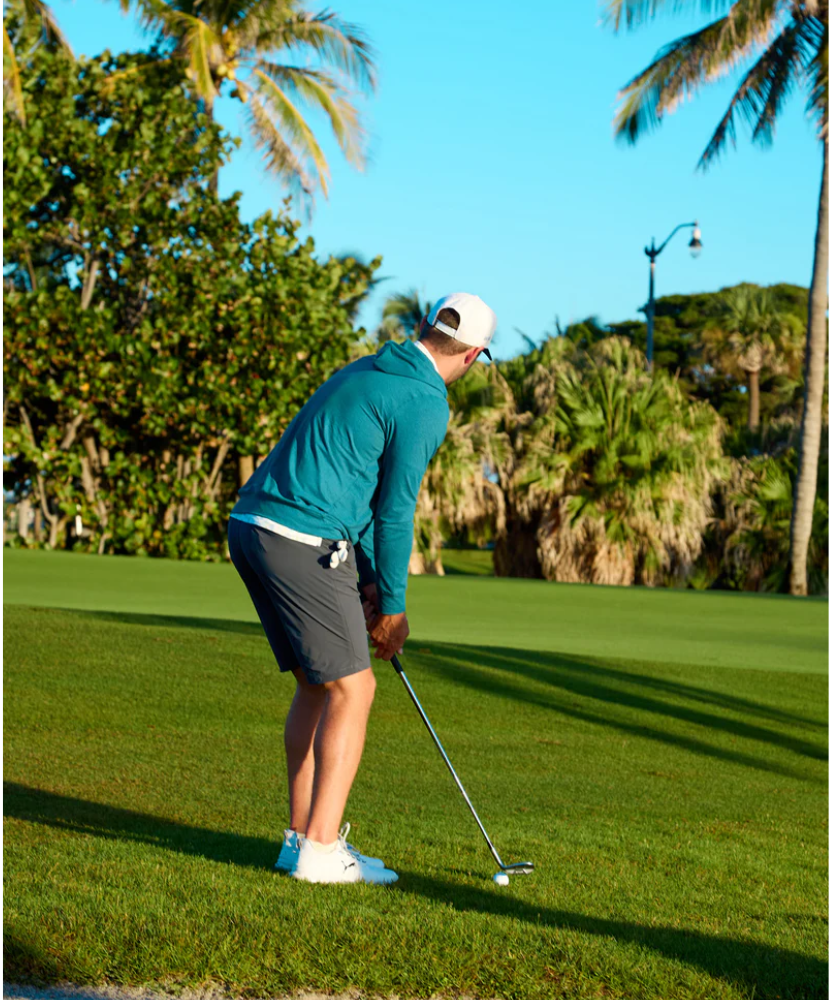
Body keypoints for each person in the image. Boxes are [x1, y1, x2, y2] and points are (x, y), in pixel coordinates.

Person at [228, 292, 497, 884]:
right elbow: (396, 512)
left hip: (251, 526)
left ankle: (301, 841)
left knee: (318, 685)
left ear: (426, 327)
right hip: (303, 536)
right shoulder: (427, 399)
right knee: (356, 690)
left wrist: (372, 581)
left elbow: (366, 501)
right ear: (474, 356)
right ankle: (322, 852)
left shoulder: (368, 367)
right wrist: (394, 610)